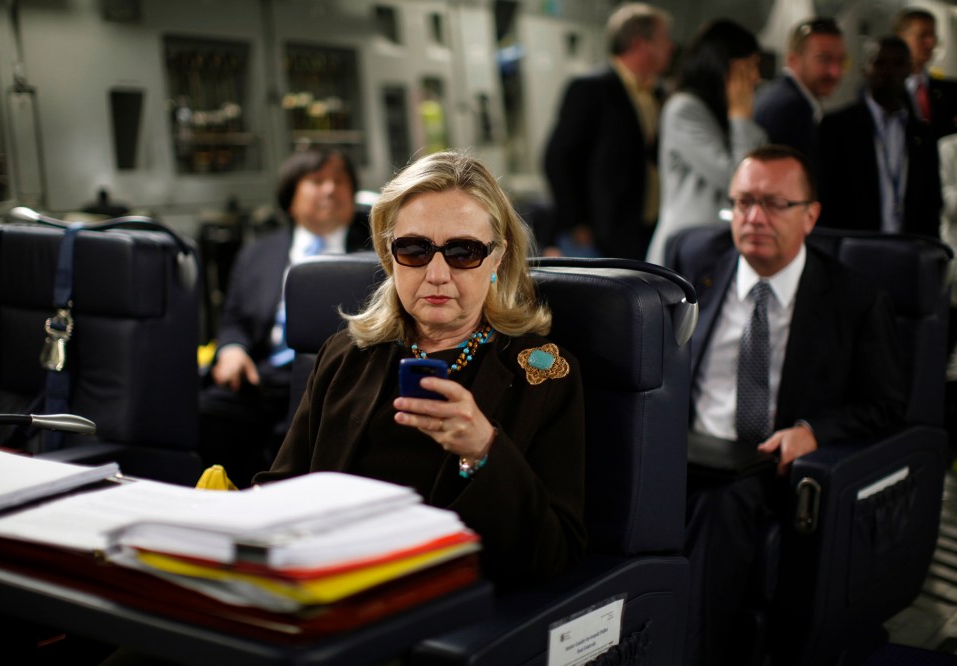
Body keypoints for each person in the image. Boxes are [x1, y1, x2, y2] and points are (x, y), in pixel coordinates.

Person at [254, 151, 587, 587]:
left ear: (497, 258)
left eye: (463, 252)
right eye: (414, 249)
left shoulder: (543, 375)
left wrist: (483, 450)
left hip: (444, 602)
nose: (436, 274)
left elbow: (554, 552)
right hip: (324, 586)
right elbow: (282, 489)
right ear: (389, 256)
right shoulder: (344, 354)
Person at [672, 145, 905, 665]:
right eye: (744, 202)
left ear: (811, 215)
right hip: (683, 453)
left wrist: (814, 432)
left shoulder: (855, 299)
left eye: (775, 204)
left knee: (720, 503)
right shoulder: (694, 265)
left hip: (767, 468)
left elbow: (887, 405)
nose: (754, 218)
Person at [199, 148, 371, 488]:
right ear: (290, 195)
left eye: (339, 181)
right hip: (262, 376)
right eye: (317, 180)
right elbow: (233, 318)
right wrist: (232, 348)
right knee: (204, 412)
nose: (330, 190)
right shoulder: (258, 252)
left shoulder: (376, 252)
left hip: (338, 379)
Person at [543, 2, 673, 260]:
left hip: (647, 228)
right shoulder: (592, 89)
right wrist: (577, 224)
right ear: (640, 44)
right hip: (603, 233)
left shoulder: (657, 94)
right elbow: (557, 158)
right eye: (664, 39)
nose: (671, 47)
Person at [645, 18, 768, 266]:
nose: (756, 77)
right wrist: (741, 119)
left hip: (717, 247)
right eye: (750, 65)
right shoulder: (684, 108)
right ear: (723, 65)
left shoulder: (725, 113)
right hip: (686, 249)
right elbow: (737, 179)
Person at [817, 36, 942, 237]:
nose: (889, 72)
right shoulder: (837, 127)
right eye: (880, 63)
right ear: (865, 69)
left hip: (909, 252)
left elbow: (931, 202)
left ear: (909, 70)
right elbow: (826, 197)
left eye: (898, 64)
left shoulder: (922, 134)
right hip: (853, 250)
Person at [753, 17, 847, 164]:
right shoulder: (793, 109)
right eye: (824, 59)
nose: (835, 72)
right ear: (793, 60)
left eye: (841, 61)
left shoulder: (776, 95)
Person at [893, 7, 957, 139]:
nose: (931, 43)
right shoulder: (887, 92)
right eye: (923, 36)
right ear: (901, 39)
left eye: (932, 35)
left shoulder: (950, 90)